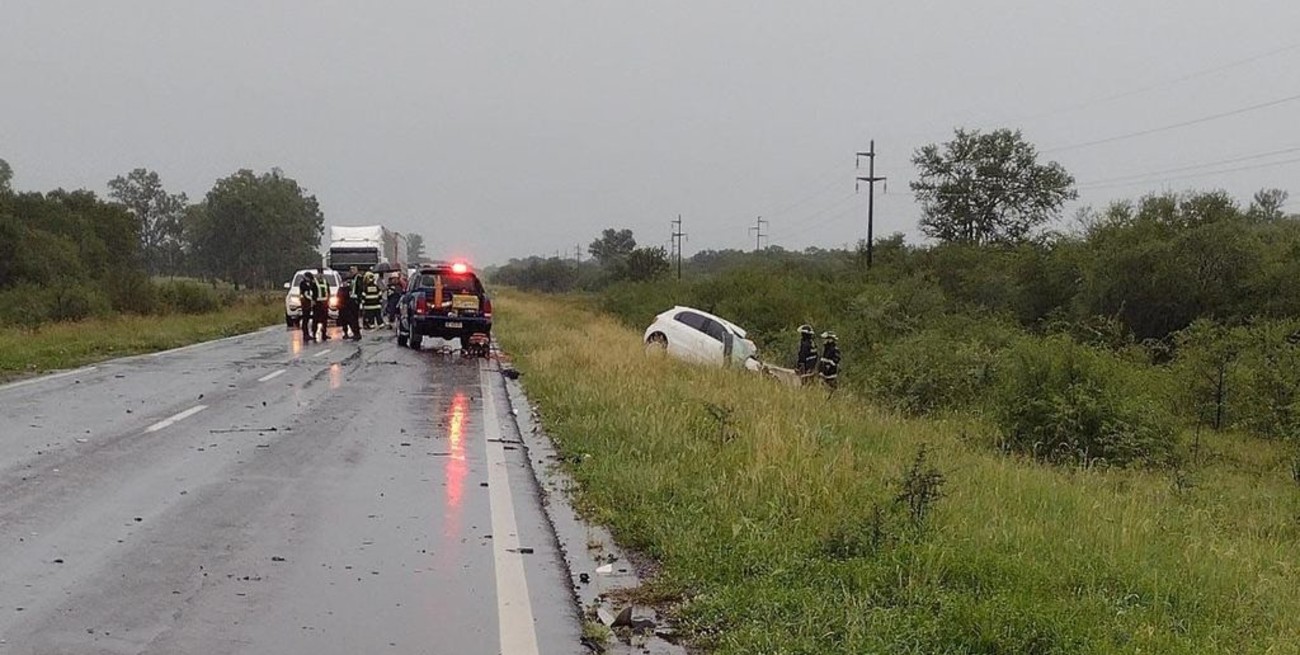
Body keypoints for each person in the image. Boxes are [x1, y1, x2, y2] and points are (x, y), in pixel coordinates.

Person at [312, 266, 331, 341]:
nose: (320, 275)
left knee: (324, 320)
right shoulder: (314, 282)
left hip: (324, 303)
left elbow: (328, 291)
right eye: (319, 273)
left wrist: (328, 300)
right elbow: (312, 292)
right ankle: (314, 334)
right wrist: (313, 301)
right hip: (317, 303)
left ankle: (324, 334)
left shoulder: (325, 281)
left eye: (321, 273)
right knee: (316, 319)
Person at [298, 271, 317, 342]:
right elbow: (305, 293)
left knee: (307, 319)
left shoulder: (311, 283)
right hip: (305, 303)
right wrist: (311, 299)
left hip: (309, 303)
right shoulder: (303, 284)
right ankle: (305, 334)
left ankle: (308, 334)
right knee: (305, 319)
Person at [348, 266, 364, 336]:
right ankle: (355, 333)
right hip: (352, 300)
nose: (352, 271)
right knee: (352, 318)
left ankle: (357, 333)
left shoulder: (359, 278)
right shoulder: (353, 278)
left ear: (357, 270)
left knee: (354, 318)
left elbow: (360, 289)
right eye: (351, 269)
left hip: (355, 300)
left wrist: (358, 299)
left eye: (353, 269)